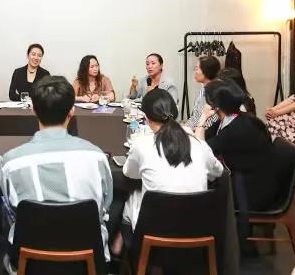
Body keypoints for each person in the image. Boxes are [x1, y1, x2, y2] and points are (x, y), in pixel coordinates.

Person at [0, 76, 113, 271]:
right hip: (88, 263)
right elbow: (104, 208)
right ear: (72, 110)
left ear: (34, 110)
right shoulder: (96, 157)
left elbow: (12, 212)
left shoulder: (11, 162)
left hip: (29, 264)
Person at [112, 89, 222, 254]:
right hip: (197, 231)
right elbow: (217, 172)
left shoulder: (142, 145)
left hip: (153, 233)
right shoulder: (199, 144)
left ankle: (119, 243)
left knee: (134, 193)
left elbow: (129, 173)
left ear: (146, 118)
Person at [195, 79, 278, 211]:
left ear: (215, 106)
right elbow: (205, 138)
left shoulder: (236, 129)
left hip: (251, 192)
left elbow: (200, 151)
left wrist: (203, 118)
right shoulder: (236, 118)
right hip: (248, 180)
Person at [184, 56, 221, 129]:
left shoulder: (214, 93)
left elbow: (208, 124)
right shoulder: (203, 89)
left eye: (197, 68)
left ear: (207, 71)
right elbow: (195, 117)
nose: (195, 71)